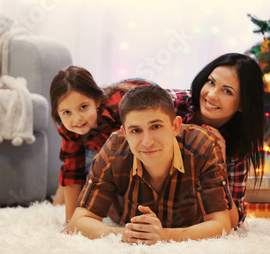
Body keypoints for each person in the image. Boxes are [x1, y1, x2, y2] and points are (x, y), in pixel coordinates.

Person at [69, 85, 237, 244]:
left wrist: (165, 235)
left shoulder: (203, 146)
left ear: (175, 126)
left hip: (189, 221)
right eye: (135, 130)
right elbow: (79, 221)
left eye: (156, 126)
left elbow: (221, 225)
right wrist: (126, 235)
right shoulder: (114, 149)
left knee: (231, 215)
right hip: (123, 221)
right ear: (125, 134)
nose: (147, 142)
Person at [167, 53, 265, 224]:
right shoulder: (171, 105)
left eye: (227, 91)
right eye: (211, 82)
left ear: (243, 103)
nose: (212, 95)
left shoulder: (237, 145)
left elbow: (234, 220)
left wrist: (219, 167)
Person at [49, 66, 150, 226]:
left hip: (140, 126)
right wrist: (71, 223)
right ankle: (57, 199)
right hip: (99, 142)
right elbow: (72, 173)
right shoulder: (70, 129)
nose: (77, 119)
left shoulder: (120, 107)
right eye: (67, 112)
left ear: (96, 101)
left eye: (83, 107)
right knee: (76, 177)